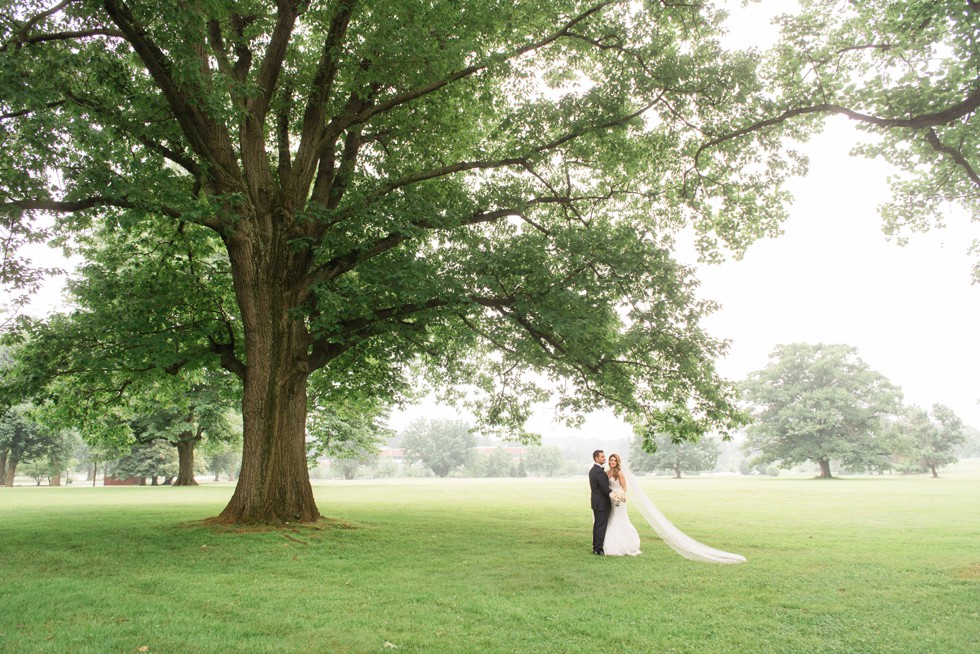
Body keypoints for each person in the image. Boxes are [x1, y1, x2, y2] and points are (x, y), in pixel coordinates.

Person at [602, 453, 642, 556]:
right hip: (610, 500)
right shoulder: (606, 473)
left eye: (614, 460)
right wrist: (612, 496)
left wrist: (619, 496)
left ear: (617, 462)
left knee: (619, 520)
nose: (612, 462)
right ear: (609, 461)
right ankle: (610, 543)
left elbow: (624, 488)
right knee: (611, 520)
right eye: (611, 460)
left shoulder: (619, 473)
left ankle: (628, 544)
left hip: (619, 501)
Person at [588, 450, 611, 555]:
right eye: (602, 457)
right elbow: (605, 489)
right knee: (601, 525)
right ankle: (598, 548)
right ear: (596, 458)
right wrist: (616, 494)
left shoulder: (592, 470)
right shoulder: (599, 472)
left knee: (597, 524)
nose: (604, 458)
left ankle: (595, 546)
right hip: (602, 503)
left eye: (604, 456)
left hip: (596, 502)